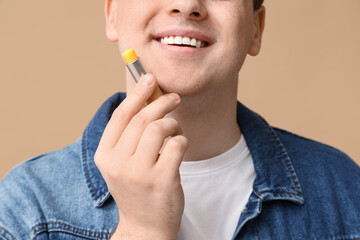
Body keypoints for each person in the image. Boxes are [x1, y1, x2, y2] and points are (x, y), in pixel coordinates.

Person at [0, 0, 359, 239]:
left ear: (255, 28)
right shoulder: (26, 209)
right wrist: (142, 230)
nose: (187, 4)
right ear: (112, 12)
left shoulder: (343, 189)